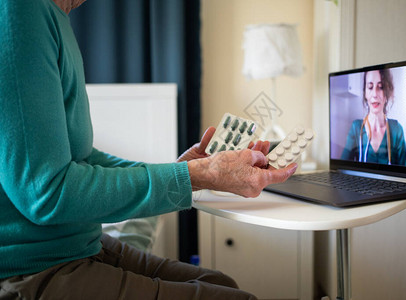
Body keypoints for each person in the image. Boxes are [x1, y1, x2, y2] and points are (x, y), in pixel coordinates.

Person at [0, 0, 298, 299]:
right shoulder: (20, 10)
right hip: (31, 266)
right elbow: (45, 193)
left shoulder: (56, 15)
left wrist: (182, 168)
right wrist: (200, 175)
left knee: (221, 282)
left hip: (77, 244)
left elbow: (81, 158)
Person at [341, 69, 406, 166]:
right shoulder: (356, 128)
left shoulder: (397, 130)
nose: (375, 94)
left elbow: (404, 174)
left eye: (380, 87)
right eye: (370, 87)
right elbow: (342, 168)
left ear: (387, 93)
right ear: (365, 94)